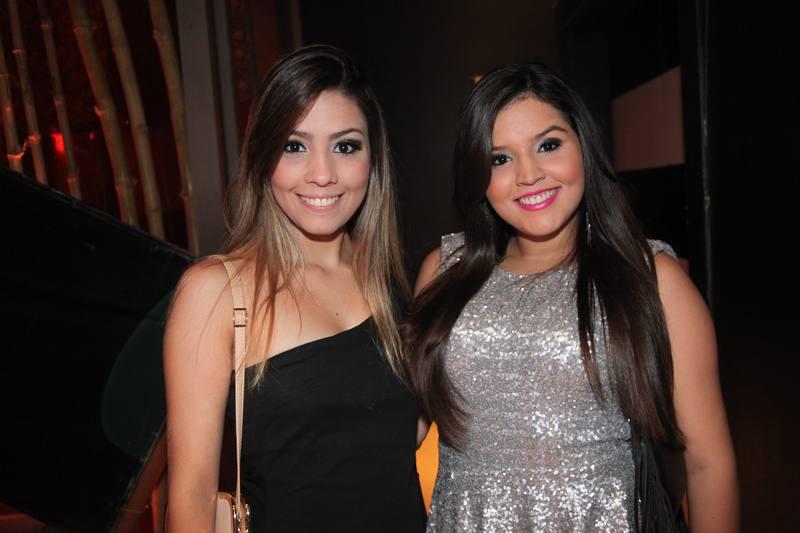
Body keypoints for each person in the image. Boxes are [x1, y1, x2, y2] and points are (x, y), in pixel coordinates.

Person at [405, 62, 738, 532]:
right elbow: (407, 424)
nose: (529, 175)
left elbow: (707, 463)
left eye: (548, 145)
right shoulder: (445, 272)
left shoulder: (651, 278)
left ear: (583, 144)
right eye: (500, 159)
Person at [163, 45, 426, 532]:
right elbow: (192, 494)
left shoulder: (387, 283)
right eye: (294, 146)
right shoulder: (217, 292)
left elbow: (391, 442)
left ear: (373, 159)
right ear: (263, 158)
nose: (322, 174)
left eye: (345, 146)